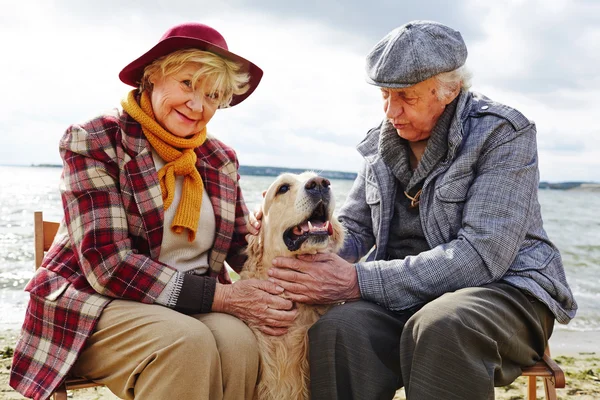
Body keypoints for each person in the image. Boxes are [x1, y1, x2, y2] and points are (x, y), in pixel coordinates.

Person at [256, 20, 578, 399]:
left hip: (503, 293)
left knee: (441, 324)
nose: (392, 111)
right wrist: (300, 237)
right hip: (402, 297)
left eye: (406, 96)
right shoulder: (381, 143)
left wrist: (358, 281)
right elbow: (355, 232)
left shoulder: (503, 133)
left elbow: (482, 254)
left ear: (449, 89)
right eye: (385, 95)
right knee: (338, 328)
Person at [10, 22, 297, 400]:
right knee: (184, 341)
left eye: (212, 95)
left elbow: (242, 250)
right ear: (152, 76)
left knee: (239, 341)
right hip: (96, 306)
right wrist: (224, 298)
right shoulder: (96, 139)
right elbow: (108, 266)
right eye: (188, 84)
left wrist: (281, 236)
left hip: (191, 307)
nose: (198, 105)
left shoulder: (219, 158)